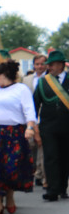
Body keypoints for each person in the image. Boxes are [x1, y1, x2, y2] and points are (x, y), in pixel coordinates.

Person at [0, 61, 36, 214]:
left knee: (11, 168)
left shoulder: (21, 90)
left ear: (5, 75)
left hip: (14, 133)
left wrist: (29, 128)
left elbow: (29, 110)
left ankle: (9, 197)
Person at [33, 50, 69, 201]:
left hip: (67, 125)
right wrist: (34, 125)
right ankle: (52, 190)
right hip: (48, 126)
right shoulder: (43, 81)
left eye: (52, 65)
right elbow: (35, 104)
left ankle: (62, 187)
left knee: (65, 157)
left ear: (60, 65)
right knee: (51, 156)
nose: (50, 67)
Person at [24, 53, 48, 187]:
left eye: (42, 64)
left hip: (43, 115)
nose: (39, 67)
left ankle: (40, 173)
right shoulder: (26, 79)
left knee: (41, 144)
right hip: (29, 116)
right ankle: (32, 170)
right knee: (30, 144)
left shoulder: (50, 79)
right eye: (37, 64)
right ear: (33, 65)